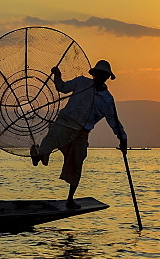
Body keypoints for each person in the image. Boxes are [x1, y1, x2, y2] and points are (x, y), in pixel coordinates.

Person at [30, 59, 128, 209]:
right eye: (98, 74)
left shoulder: (107, 99)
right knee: (51, 141)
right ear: (94, 74)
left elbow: (113, 121)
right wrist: (57, 75)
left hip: (81, 132)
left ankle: (70, 199)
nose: (100, 77)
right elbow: (62, 87)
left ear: (107, 77)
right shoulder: (82, 82)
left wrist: (122, 138)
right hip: (65, 123)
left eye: (104, 75)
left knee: (77, 164)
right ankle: (39, 155)